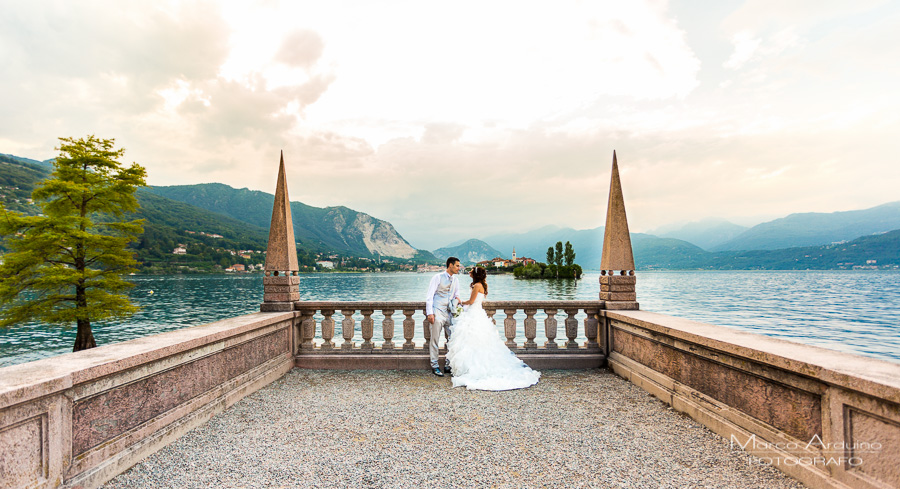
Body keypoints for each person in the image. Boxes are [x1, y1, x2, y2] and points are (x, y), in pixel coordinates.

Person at [447, 266, 541, 391]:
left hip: (474, 314)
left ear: (475, 274)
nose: (468, 273)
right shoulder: (482, 285)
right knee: (479, 341)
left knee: (472, 340)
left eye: (470, 272)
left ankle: (471, 368)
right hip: (478, 313)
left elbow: (471, 301)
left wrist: (460, 301)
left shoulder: (477, 286)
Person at [425, 257, 462, 376]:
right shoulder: (437, 277)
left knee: (452, 339)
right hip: (437, 311)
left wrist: (457, 303)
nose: (459, 268)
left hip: (449, 312)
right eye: (457, 266)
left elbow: (457, 295)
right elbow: (429, 296)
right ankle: (434, 365)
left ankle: (448, 364)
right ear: (450, 265)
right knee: (435, 339)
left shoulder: (456, 280)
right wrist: (430, 312)